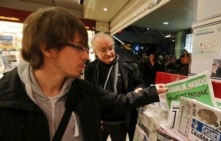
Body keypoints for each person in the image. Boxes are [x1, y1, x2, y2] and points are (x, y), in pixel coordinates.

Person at [0, 7, 168, 141]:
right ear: (48, 48)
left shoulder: (83, 91)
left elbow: (118, 102)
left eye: (86, 49)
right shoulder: (6, 96)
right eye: (79, 47)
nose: (86, 56)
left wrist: (151, 92)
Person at [84, 32, 145, 141]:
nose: (109, 53)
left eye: (111, 48)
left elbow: (140, 82)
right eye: (103, 50)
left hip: (121, 120)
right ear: (95, 52)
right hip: (100, 120)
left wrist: (138, 89)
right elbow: (88, 95)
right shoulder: (90, 69)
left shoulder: (128, 65)